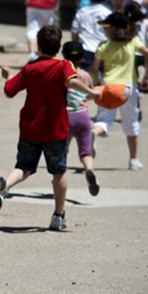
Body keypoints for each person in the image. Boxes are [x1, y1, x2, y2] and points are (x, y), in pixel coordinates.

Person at [0, 25, 99, 230]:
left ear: (38, 46)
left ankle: (5, 184)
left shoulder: (30, 68)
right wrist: (90, 93)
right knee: (58, 172)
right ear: (58, 47)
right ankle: (58, 216)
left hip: (30, 128)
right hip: (54, 130)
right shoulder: (62, 65)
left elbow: (9, 91)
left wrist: (8, 77)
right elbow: (72, 82)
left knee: (23, 167)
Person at [91, 12, 148, 171]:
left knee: (103, 121)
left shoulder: (103, 45)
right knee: (131, 122)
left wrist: (95, 85)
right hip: (127, 87)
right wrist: (146, 76)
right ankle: (133, 160)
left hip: (107, 86)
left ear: (112, 29)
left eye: (106, 27)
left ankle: (94, 134)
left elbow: (95, 68)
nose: (104, 30)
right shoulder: (133, 42)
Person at [61, 41, 99, 196]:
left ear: (63, 56)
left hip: (66, 116)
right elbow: (90, 94)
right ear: (82, 58)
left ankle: (59, 179)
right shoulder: (85, 75)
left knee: (62, 151)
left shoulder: (63, 74)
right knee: (85, 151)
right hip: (83, 115)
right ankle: (89, 170)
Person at [71, 0, 112, 71]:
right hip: (103, 52)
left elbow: (75, 32)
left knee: (85, 82)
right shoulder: (108, 13)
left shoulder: (82, 11)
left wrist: (76, 50)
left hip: (85, 51)